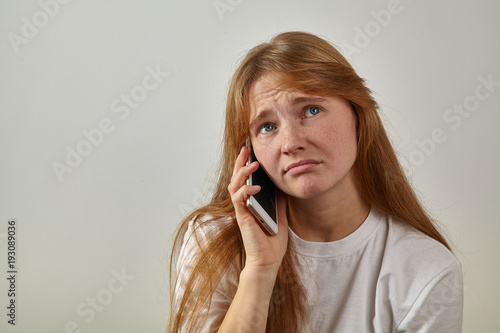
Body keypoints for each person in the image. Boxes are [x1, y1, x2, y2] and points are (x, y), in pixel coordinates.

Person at [167, 31, 463, 333]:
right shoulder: (212, 242)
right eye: (267, 126)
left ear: (358, 116)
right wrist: (260, 270)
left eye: (311, 110)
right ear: (250, 150)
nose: (290, 142)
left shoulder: (425, 270)